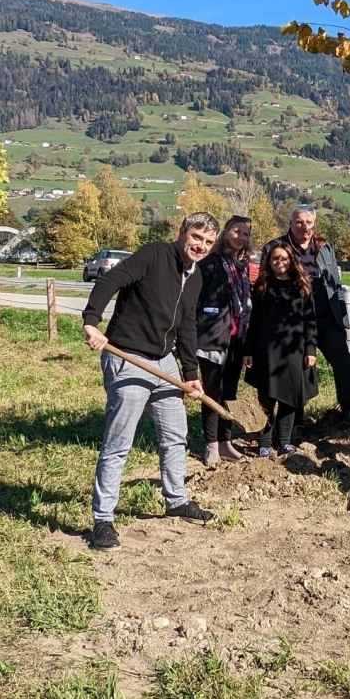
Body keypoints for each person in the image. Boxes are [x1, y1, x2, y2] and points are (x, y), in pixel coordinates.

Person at [81, 212, 219, 552]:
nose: (200, 246)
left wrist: (190, 375)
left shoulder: (196, 276)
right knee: (119, 442)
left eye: (208, 242)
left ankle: (176, 500)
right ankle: (102, 519)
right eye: (197, 238)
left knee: (175, 435)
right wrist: (92, 321)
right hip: (127, 356)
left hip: (165, 363)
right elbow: (109, 282)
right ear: (182, 232)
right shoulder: (154, 254)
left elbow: (187, 326)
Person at [271, 205, 350, 425]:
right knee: (299, 368)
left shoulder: (324, 247)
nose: (304, 227)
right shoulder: (277, 248)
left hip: (326, 317)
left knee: (343, 361)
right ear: (291, 223)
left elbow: (336, 285)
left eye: (309, 222)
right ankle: (296, 419)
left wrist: (342, 319)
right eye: (299, 222)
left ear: (314, 224)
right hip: (294, 321)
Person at [243, 242, 318, 458]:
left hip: (295, 350)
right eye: (275, 258)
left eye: (284, 258)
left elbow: (310, 321)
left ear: (292, 260)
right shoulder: (262, 287)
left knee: (290, 397)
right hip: (266, 350)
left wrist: (310, 350)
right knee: (266, 397)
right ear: (269, 261)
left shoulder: (302, 287)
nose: (279, 262)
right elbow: (254, 322)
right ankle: (265, 441)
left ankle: (285, 441)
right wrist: (248, 350)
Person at [195, 215, 252, 467]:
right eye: (237, 231)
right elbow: (196, 299)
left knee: (229, 392)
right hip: (212, 337)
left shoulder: (242, 266)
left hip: (236, 339)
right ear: (226, 232)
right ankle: (210, 444)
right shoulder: (210, 263)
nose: (241, 237)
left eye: (246, 234)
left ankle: (226, 442)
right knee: (212, 392)